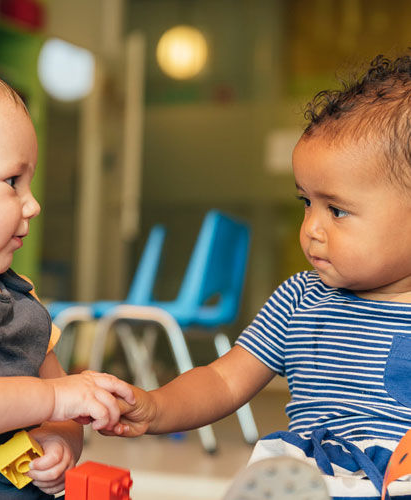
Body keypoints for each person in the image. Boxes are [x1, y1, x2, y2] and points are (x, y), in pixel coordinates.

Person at [111, 52, 411, 500]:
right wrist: (156, 407)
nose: (311, 228)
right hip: (301, 482)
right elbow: (223, 380)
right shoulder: (298, 299)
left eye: (337, 210)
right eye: (306, 203)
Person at [0, 56, 135, 500]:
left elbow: (62, 402)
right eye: (13, 181)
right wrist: (54, 400)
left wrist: (60, 440)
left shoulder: (21, 296)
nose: (31, 204)